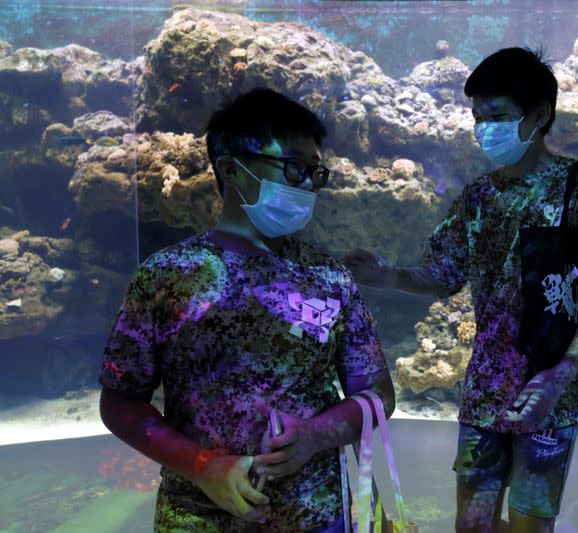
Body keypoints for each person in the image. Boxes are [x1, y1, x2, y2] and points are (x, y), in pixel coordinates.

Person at [343, 47, 578, 533]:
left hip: (552, 394)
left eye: (496, 116)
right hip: (484, 392)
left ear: (539, 114)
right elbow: (440, 276)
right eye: (478, 117)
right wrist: (389, 274)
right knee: (471, 525)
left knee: (529, 524)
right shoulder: (478, 196)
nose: (484, 129)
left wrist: (561, 374)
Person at [98, 87, 394, 533]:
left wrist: (316, 435)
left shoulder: (330, 279)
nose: (308, 185)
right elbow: (120, 401)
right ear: (231, 170)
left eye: (316, 173)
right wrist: (200, 466)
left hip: (313, 513)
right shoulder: (167, 275)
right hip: (195, 515)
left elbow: (378, 394)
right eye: (293, 167)